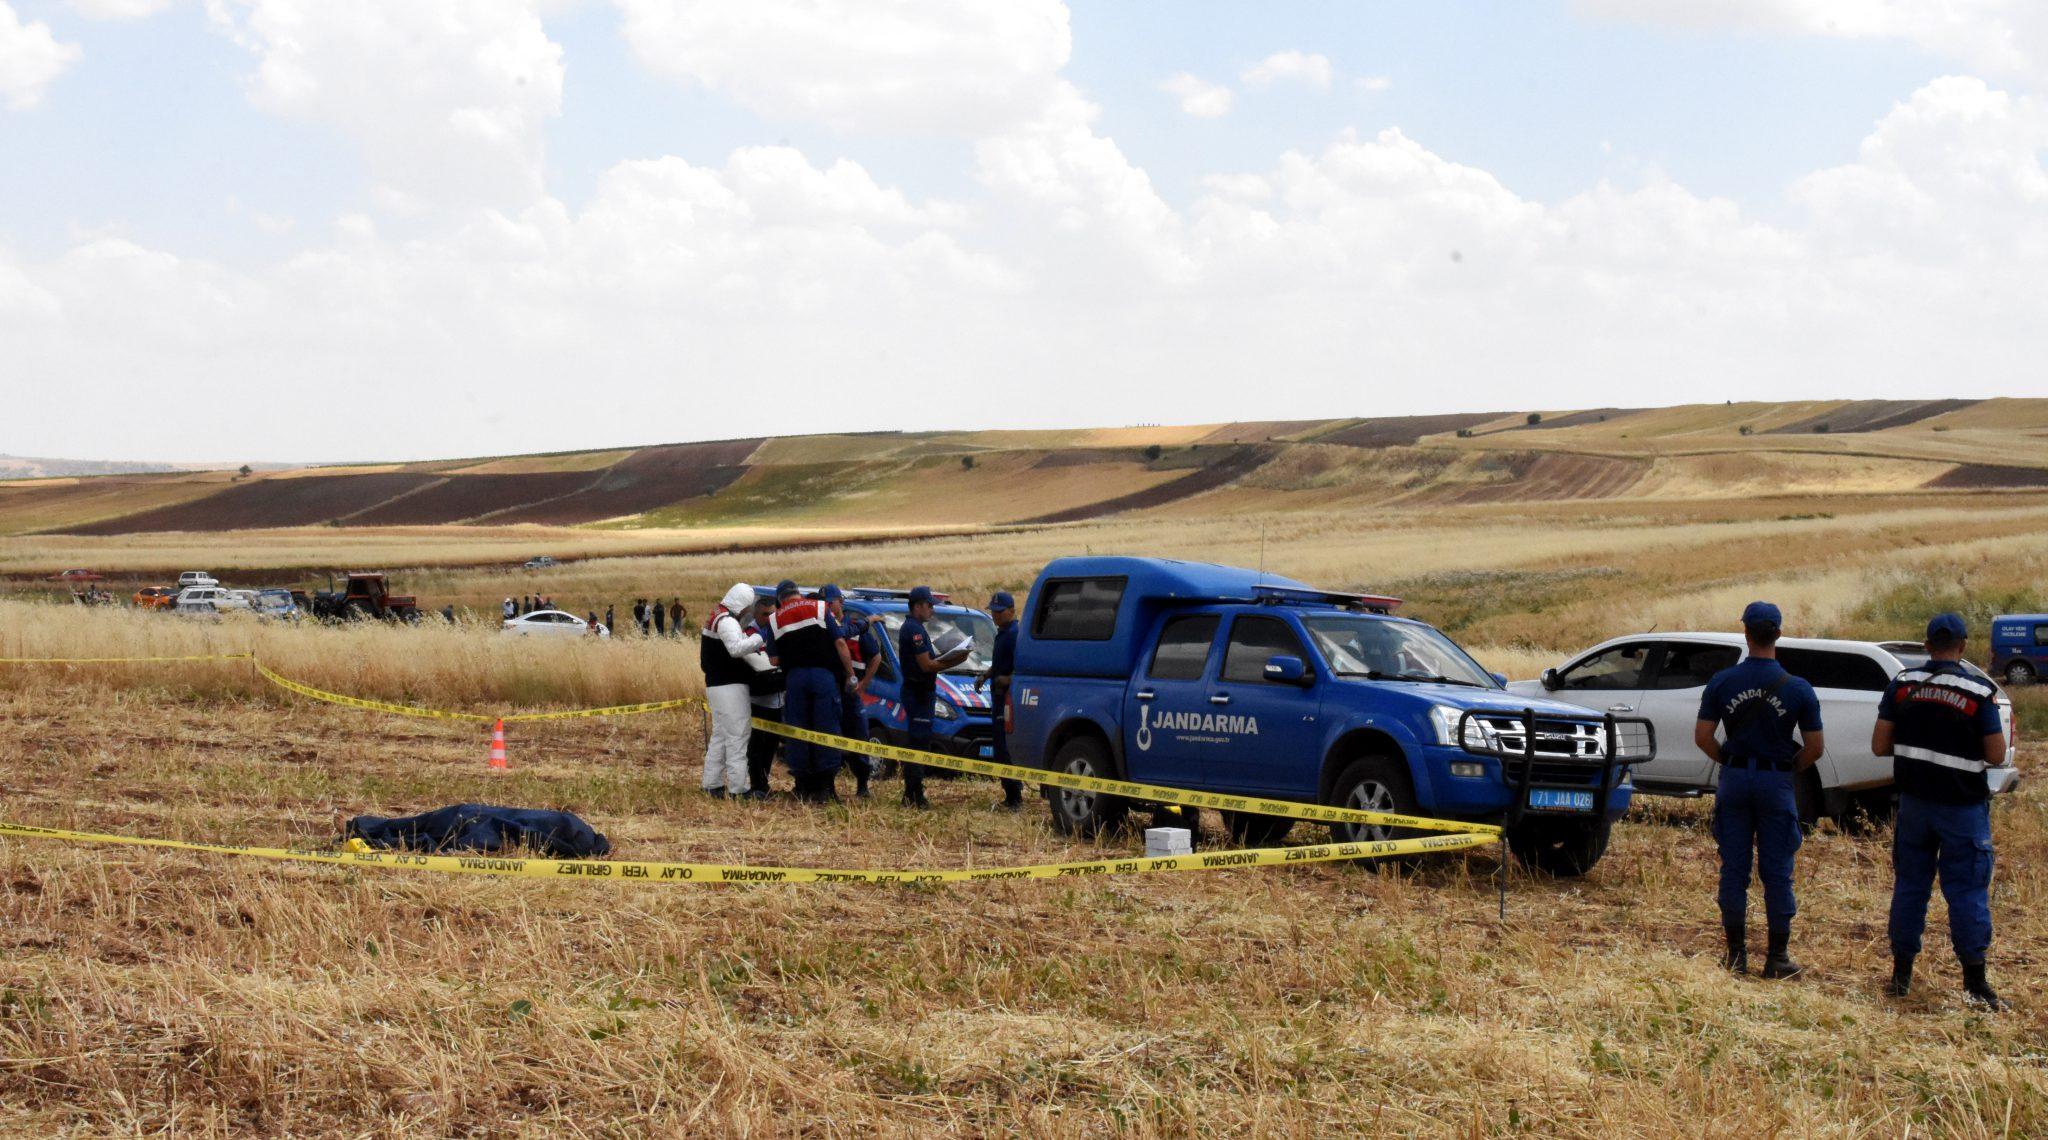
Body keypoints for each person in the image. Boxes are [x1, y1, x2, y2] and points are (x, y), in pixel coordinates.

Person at [1873, 613, 2013, 1009]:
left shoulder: (1902, 686)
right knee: (1967, 892)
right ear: (1963, 646)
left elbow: (1880, 746)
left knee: (1910, 888)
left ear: (1927, 644)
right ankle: (1975, 983)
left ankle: (1901, 975)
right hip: (1962, 810)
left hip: (1915, 806)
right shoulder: (1977, 692)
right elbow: (1996, 754)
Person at [1694, 601, 1824, 979]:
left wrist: (1730, 762)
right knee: (1778, 871)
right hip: (1776, 782)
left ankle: (1736, 955)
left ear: (1746, 634)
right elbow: (1815, 747)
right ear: (1778, 634)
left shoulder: (1722, 682)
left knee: (1734, 869)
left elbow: (1703, 737)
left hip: (1735, 780)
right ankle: (1777, 957)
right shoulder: (1799, 688)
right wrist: (1786, 768)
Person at [770, 580, 851, 803]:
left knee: (798, 731)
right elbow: (841, 643)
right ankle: (827, 788)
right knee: (827, 728)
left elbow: (774, 659)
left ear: (780, 599)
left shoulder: (774, 619)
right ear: (798, 593)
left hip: (795, 678)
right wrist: (850, 673)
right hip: (823, 676)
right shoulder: (820, 607)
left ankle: (803, 786)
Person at [898, 585, 974, 809]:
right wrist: (957, 659)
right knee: (918, 743)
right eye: (930, 605)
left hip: (921, 693)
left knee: (921, 741)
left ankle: (912, 793)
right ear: (919, 606)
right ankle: (914, 795)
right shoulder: (914, 630)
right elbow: (927, 665)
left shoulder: (917, 628)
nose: (932, 610)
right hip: (918, 693)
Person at [699, 584, 765, 798]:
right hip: (730, 686)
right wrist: (758, 638)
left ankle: (712, 785)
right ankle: (739, 789)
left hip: (717, 686)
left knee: (720, 736)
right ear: (742, 603)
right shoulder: (727, 621)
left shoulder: (716, 615)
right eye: (748, 606)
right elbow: (735, 649)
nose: (748, 611)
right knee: (738, 736)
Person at [976, 590, 1025, 810]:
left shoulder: (1015, 635)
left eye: (999, 612)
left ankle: (1015, 795)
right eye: (993, 612)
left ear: (1012, 611)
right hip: (996, 697)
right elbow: (1000, 663)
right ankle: (1009, 793)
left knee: (1005, 748)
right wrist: (987, 675)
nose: (995, 616)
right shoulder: (1003, 633)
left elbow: (1023, 668)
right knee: (998, 745)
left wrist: (1008, 679)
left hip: (1007, 700)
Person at [826, 590, 874, 799]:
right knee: (830, 740)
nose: (828, 606)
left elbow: (876, 656)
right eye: (824, 603)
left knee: (859, 737)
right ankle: (830, 788)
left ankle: (863, 785)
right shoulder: (823, 627)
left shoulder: (854, 627)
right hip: (830, 691)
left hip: (852, 694)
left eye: (831, 602)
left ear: (841, 602)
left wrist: (863, 684)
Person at [745, 594, 786, 798]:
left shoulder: (778, 631)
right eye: (765, 614)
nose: (768, 617)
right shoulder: (749, 634)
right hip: (758, 700)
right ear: (756, 613)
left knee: (771, 745)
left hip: (777, 699)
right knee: (756, 746)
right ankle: (756, 785)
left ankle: (764, 782)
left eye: (772, 614)